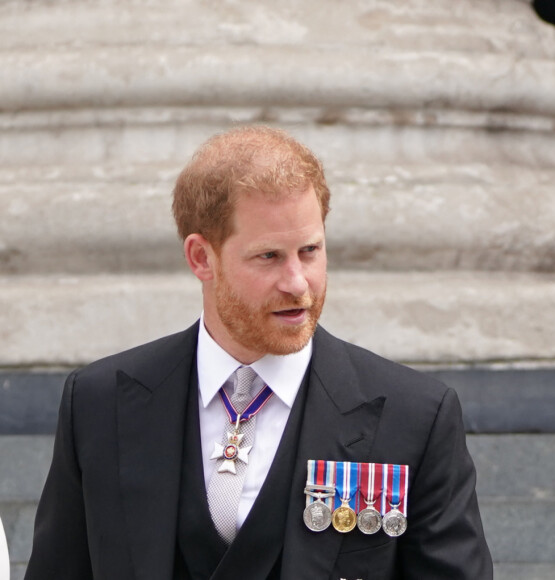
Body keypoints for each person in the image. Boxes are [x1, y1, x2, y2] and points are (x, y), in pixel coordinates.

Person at [25, 126, 493, 579]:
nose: (297, 283)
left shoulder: (414, 417)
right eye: (268, 256)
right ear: (201, 258)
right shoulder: (99, 405)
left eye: (309, 251)